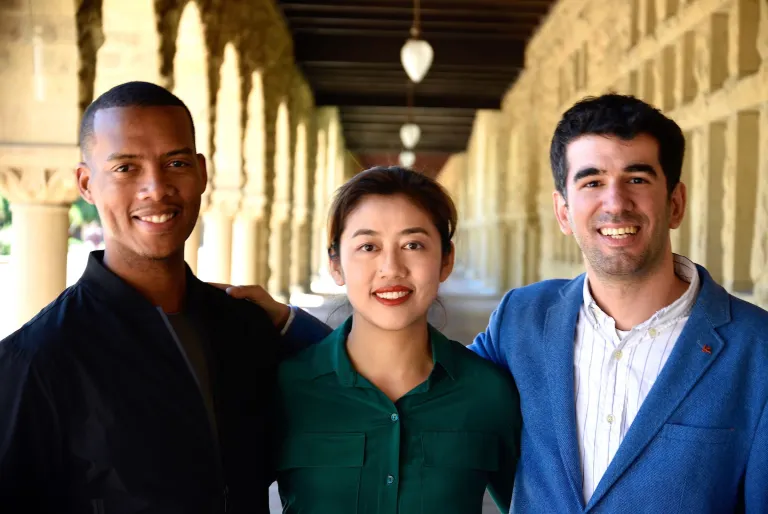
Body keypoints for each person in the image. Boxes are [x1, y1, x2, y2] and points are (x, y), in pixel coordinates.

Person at [227, 94, 768, 513]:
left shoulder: (755, 351)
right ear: (563, 210)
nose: (614, 202)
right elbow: (409, 372)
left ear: (674, 202)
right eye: (592, 181)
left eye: (637, 178)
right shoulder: (523, 321)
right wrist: (289, 326)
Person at [0, 81, 317, 513]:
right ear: (86, 183)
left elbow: (366, 395)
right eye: (126, 168)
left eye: (176, 162)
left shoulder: (245, 328)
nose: (156, 187)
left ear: (202, 173)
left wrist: (289, 323)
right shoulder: (36, 359)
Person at [272, 166, 520, 513]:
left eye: (413, 244)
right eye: (368, 246)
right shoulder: (286, 386)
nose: (391, 267)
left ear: (446, 260)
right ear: (336, 264)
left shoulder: (487, 392)